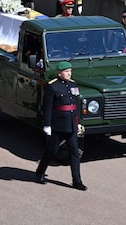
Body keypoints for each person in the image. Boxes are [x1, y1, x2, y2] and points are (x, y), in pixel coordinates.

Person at [35, 61, 86, 191]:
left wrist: (78, 122)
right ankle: (40, 172)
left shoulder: (73, 84)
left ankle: (77, 181)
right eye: (66, 71)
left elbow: (76, 105)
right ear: (59, 73)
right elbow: (47, 108)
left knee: (74, 152)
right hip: (58, 125)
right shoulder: (53, 87)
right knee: (52, 151)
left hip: (71, 124)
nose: (69, 73)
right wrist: (47, 125)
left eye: (70, 71)